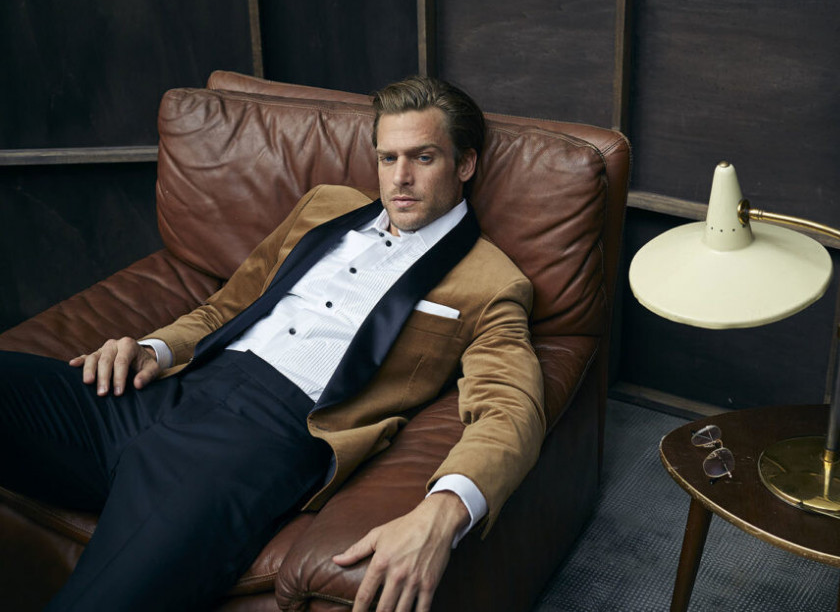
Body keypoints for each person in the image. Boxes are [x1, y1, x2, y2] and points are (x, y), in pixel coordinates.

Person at [0, 76, 545, 612]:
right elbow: (226, 307)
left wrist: (444, 510)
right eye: (387, 158)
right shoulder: (324, 206)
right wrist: (152, 349)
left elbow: (510, 407)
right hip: (157, 392)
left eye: (423, 158)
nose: (400, 177)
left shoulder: (491, 282)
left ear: (464, 164)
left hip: (253, 443)